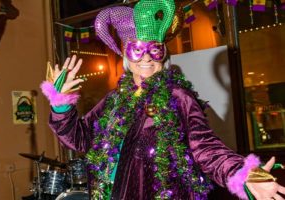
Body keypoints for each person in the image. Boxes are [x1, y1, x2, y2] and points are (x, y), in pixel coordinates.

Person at [41, 0, 285, 199]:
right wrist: (60, 103)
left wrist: (242, 174)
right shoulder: (115, 100)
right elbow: (81, 139)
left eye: (154, 49)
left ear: (163, 54)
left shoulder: (178, 97)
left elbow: (205, 148)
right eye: (137, 49)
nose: (146, 58)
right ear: (126, 55)